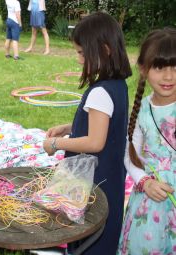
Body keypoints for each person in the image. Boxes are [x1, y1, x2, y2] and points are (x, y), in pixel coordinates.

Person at [43, 12, 132, 255]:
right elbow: (104, 123)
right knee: (105, 228)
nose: (79, 59)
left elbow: (95, 141)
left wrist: (56, 142)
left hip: (93, 182)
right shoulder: (117, 84)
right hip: (110, 177)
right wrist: (69, 128)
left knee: (90, 235)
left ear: (104, 50)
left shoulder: (100, 92)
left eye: (82, 53)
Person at [117, 28, 176, 255]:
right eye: (160, 67)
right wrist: (144, 182)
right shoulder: (142, 110)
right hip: (151, 202)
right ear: (143, 69)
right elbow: (130, 155)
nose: (169, 76)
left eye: (175, 67)